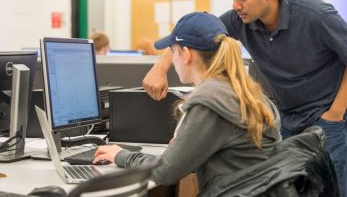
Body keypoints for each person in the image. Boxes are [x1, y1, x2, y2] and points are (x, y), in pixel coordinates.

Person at [143, 0, 347, 197]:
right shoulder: (241, 19)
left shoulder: (314, 14)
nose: (235, 6)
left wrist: (335, 113)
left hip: (328, 115)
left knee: (329, 190)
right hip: (288, 116)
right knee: (292, 188)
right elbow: (194, 36)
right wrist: (160, 67)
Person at [93, 12, 281, 196]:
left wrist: (120, 155)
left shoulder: (209, 99)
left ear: (186, 54)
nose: (172, 60)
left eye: (173, 51)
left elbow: (165, 172)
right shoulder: (247, 92)